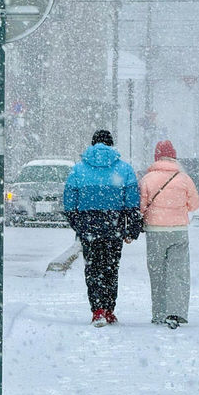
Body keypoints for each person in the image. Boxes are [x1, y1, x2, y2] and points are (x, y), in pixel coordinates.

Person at [63, 130, 140, 327]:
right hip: (113, 224)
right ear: (111, 146)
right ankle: (109, 308)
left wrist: (78, 224)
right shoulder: (124, 169)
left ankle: (97, 309)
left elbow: (70, 201)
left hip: (89, 224)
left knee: (93, 267)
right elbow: (132, 201)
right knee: (111, 267)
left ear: (92, 144)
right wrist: (131, 227)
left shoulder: (78, 170)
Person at [139, 140, 199, 329]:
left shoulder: (147, 179)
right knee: (178, 272)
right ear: (174, 157)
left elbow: (141, 207)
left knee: (157, 272)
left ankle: (158, 312)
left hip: (155, 231)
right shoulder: (184, 178)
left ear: (156, 157)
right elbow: (194, 205)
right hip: (179, 231)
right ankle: (176, 312)